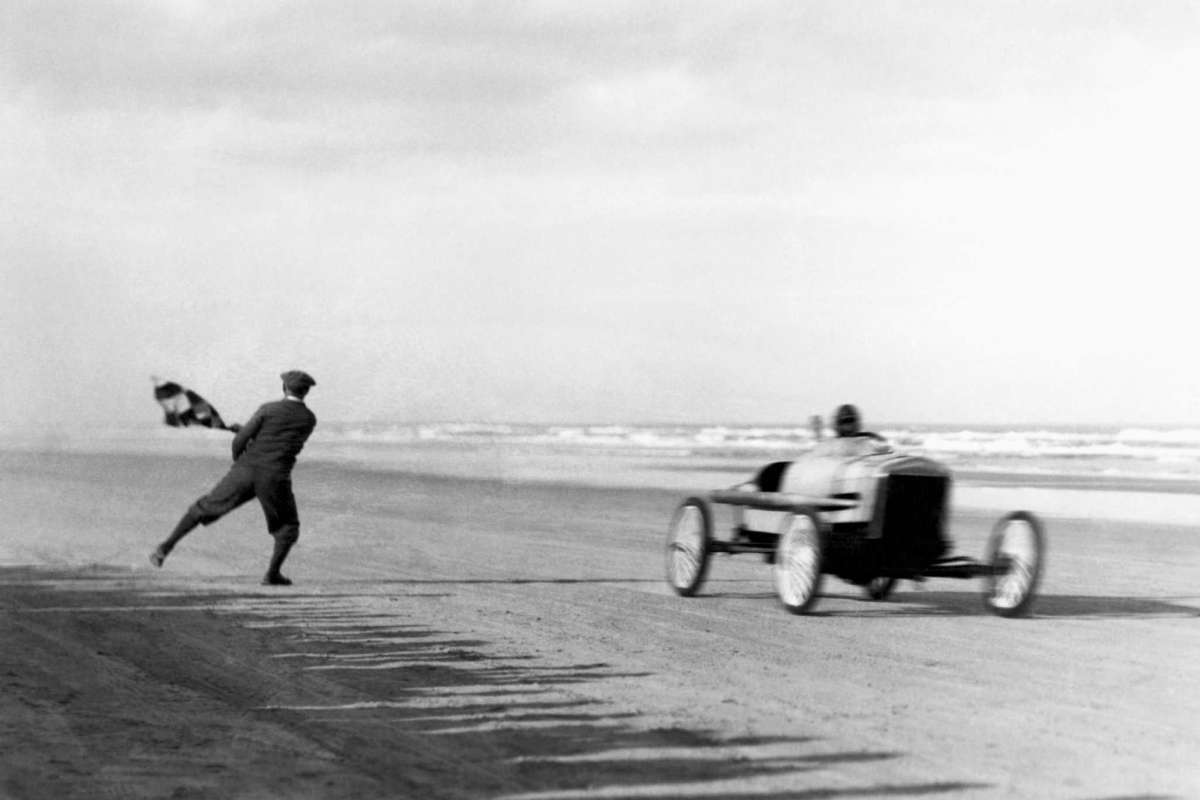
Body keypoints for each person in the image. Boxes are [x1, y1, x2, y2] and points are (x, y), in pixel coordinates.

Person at [150, 370, 318, 586]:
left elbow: (242, 440)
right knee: (287, 527)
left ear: (284, 388)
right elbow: (280, 443)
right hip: (275, 477)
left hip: (245, 471)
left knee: (205, 506)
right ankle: (272, 574)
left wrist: (241, 460)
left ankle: (164, 548)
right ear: (306, 392)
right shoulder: (309, 419)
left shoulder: (268, 409)